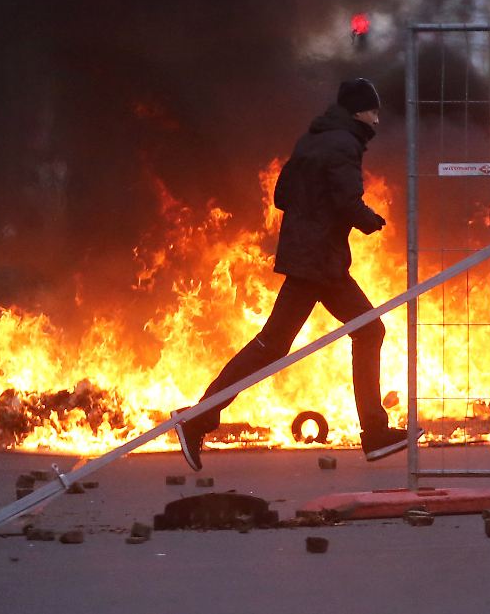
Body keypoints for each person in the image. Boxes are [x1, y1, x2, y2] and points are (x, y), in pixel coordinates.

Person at [174, 78, 412, 469]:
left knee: (275, 344)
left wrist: (313, 211)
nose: (377, 118)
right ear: (357, 112)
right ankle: (375, 433)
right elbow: (346, 199)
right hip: (320, 261)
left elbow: (282, 195)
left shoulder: (311, 141)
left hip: (309, 257)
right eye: (373, 111)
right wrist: (369, 221)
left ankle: (200, 418)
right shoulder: (345, 144)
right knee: (367, 330)